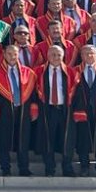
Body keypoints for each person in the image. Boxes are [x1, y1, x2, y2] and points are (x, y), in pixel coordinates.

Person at [0, 44, 37, 177]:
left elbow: (33, 94)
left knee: (23, 139)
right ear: (4, 55)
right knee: (3, 139)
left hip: (23, 110)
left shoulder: (28, 73)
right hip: (4, 110)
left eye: (15, 54)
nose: (12, 57)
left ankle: (24, 168)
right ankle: (5, 168)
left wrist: (33, 109)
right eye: (9, 54)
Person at [65, 45, 96, 177]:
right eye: (85, 53)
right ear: (81, 56)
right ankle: (84, 166)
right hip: (81, 110)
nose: (89, 56)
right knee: (82, 138)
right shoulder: (74, 72)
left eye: (91, 53)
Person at [33, 45, 73, 178]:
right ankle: (50, 168)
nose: (56, 58)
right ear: (47, 56)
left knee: (67, 139)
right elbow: (33, 92)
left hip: (64, 110)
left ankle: (67, 167)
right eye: (53, 55)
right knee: (47, 139)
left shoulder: (70, 72)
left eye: (59, 55)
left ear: (63, 56)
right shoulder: (39, 72)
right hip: (47, 109)